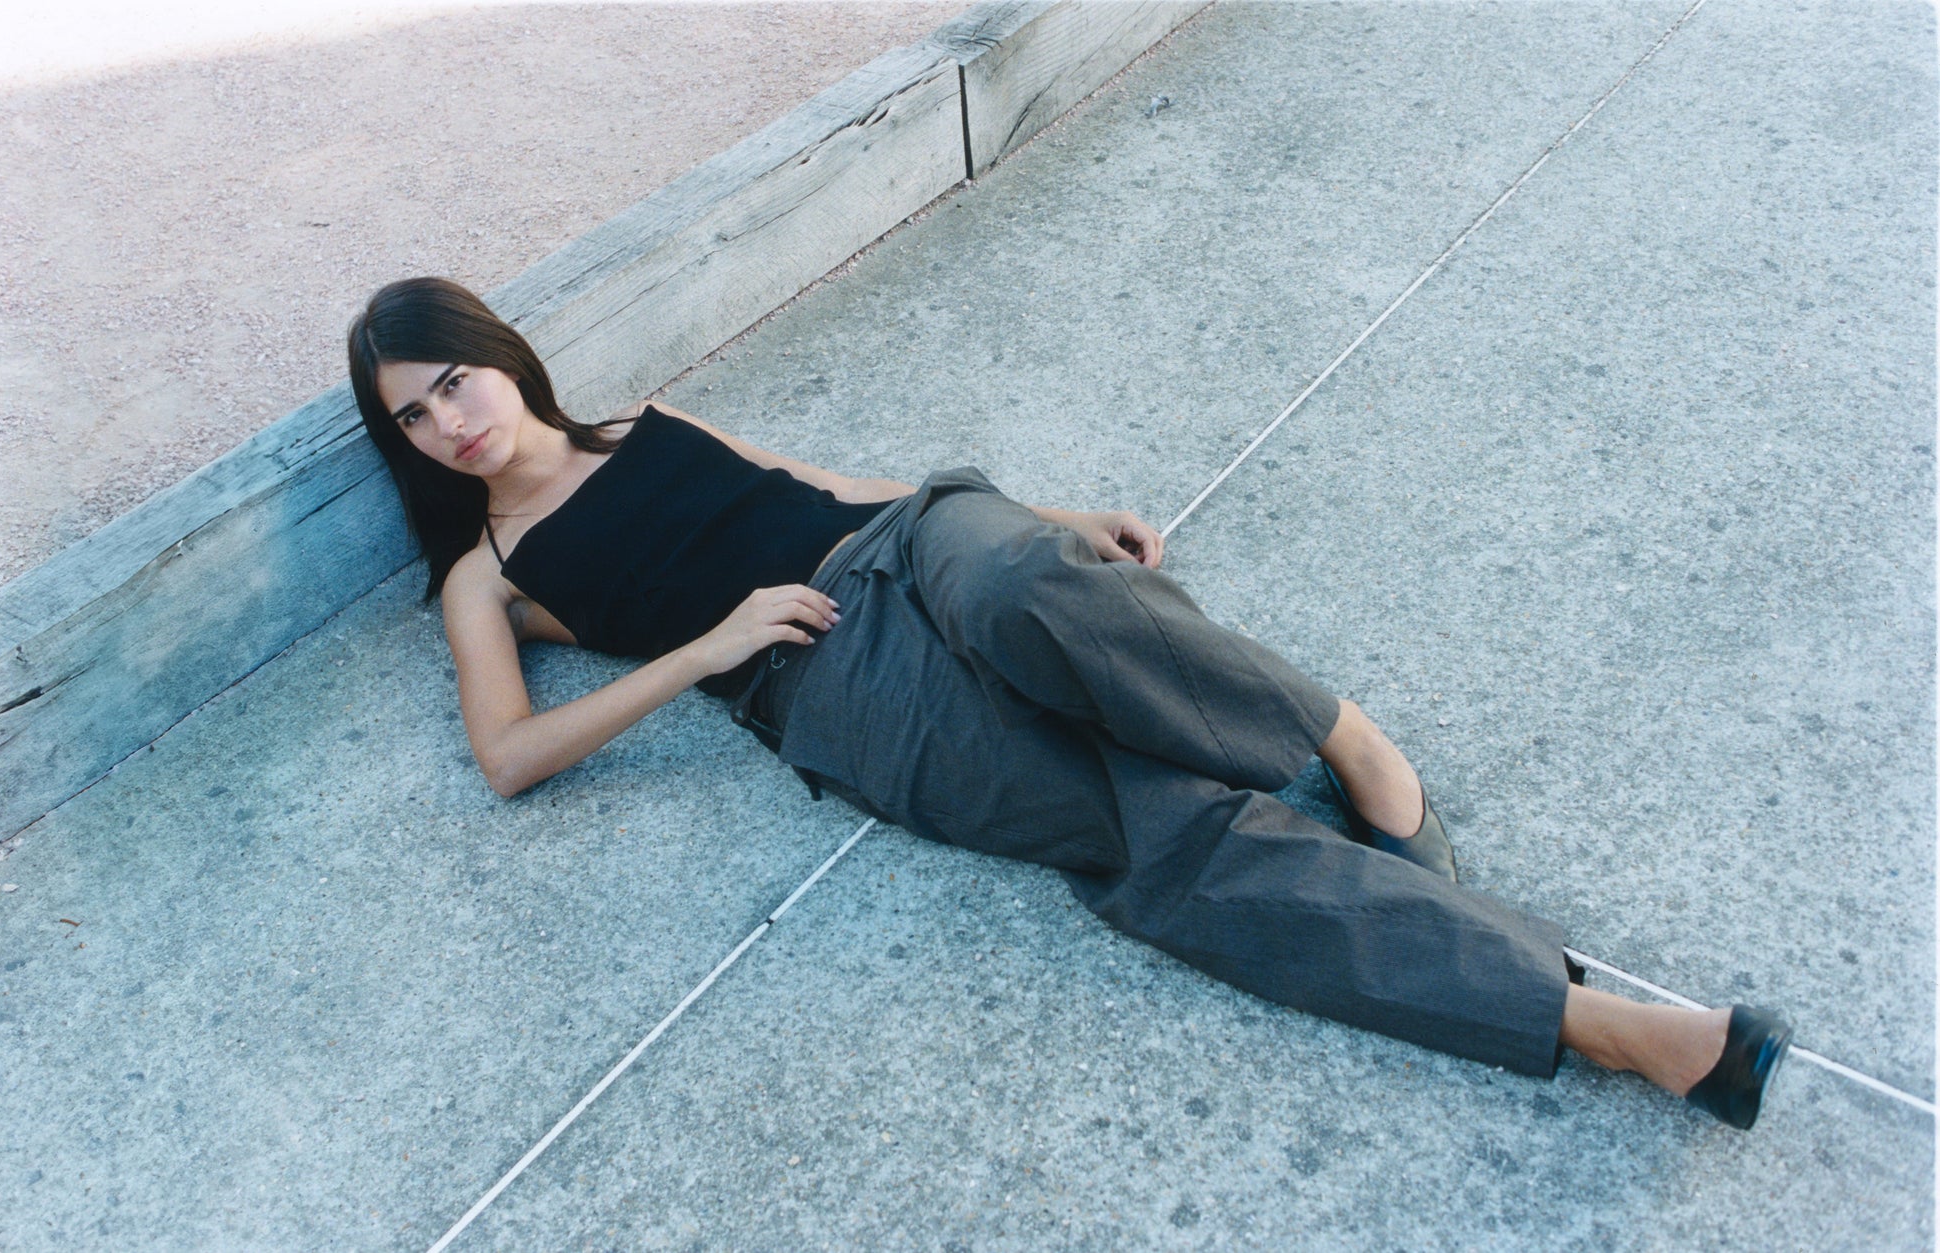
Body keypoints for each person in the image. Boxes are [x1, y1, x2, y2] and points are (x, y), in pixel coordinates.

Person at [347, 276, 1791, 1130]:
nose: (450, 421)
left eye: (454, 380)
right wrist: (701, 648)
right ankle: (1599, 1024)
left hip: (912, 542)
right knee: (1143, 830)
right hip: (824, 678)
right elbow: (510, 754)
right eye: (413, 415)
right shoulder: (486, 572)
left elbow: (837, 489)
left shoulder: (652, 421)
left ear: (504, 352)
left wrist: (1051, 512)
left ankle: (1337, 730)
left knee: (1038, 591)